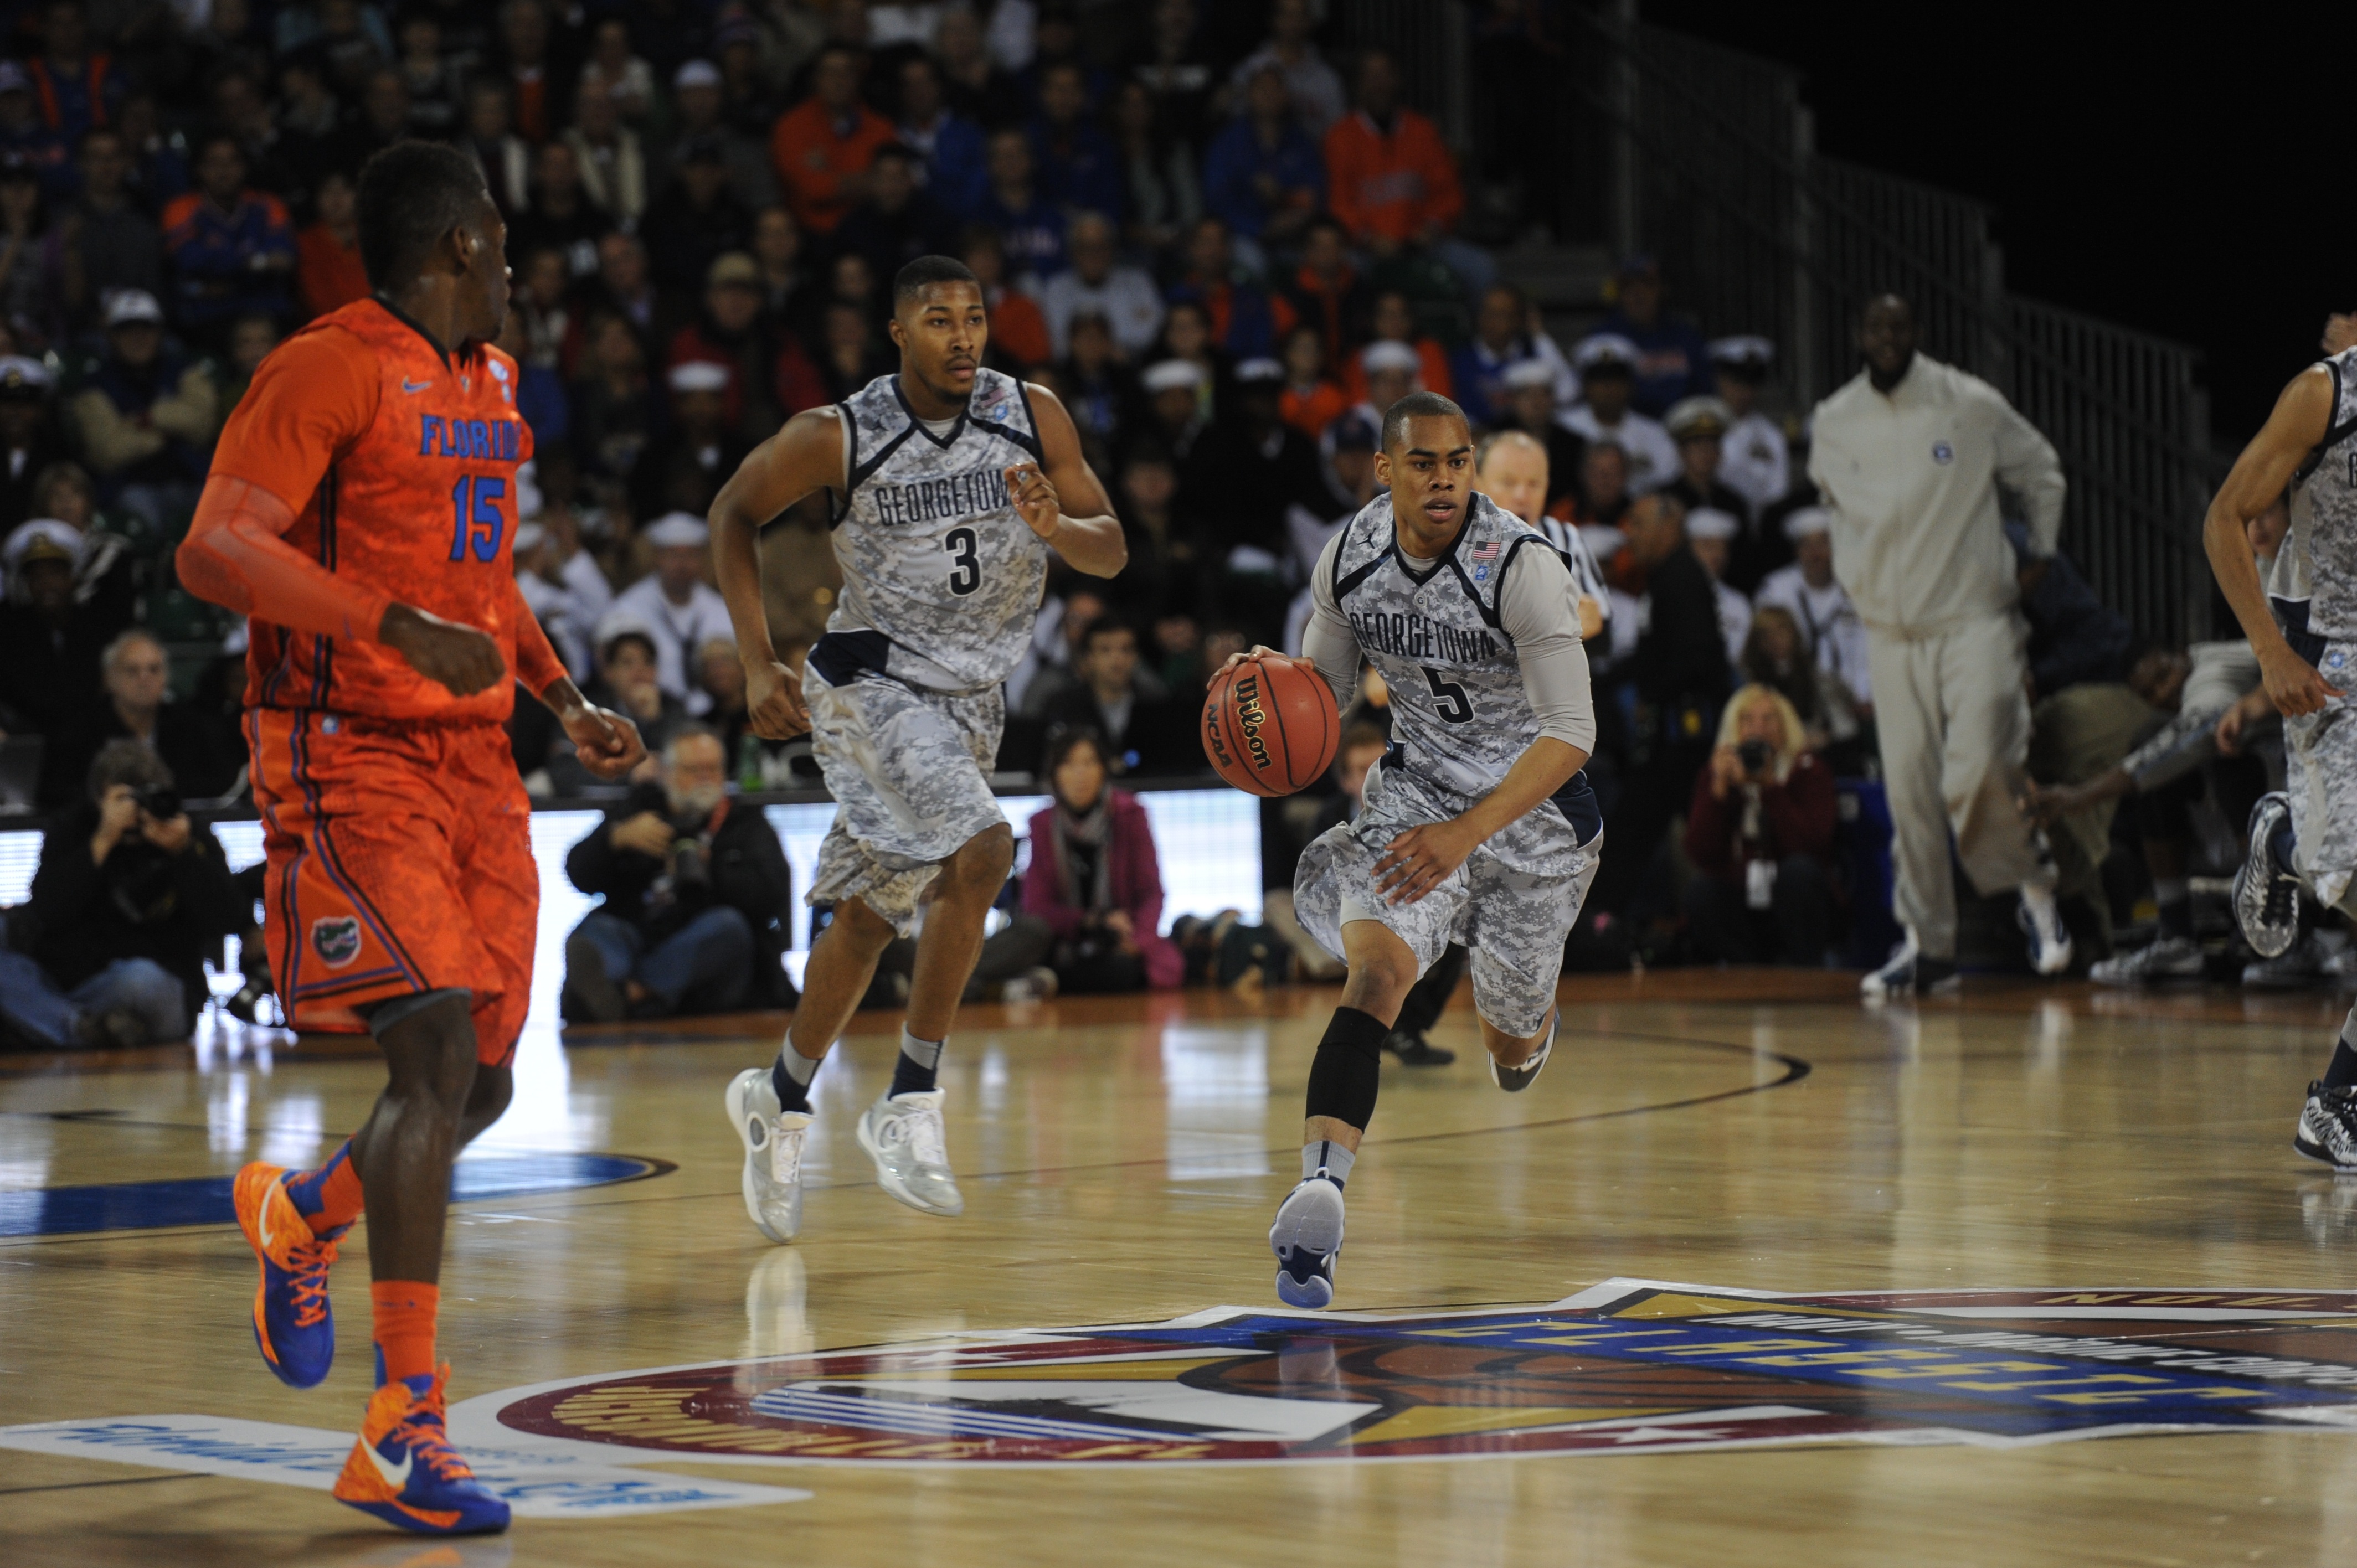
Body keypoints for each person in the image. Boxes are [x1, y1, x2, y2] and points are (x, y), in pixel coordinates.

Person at [174, 141, 646, 1535]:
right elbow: (214, 546)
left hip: (480, 756)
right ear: (459, 244)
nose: (516, 270)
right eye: (502, 245)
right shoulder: (329, 367)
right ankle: (402, 1426)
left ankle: (301, 1214)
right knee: (432, 1049)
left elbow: (481, 580)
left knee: (483, 1086)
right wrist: (386, 626)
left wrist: (561, 694)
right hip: (343, 747)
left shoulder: (493, 385)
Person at [707, 254, 1125, 1245]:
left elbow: (1111, 546)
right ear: (897, 332)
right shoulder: (839, 434)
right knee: (984, 851)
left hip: (973, 703)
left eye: (974, 317)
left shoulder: (1032, 412)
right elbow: (731, 510)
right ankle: (910, 1098)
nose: (962, 335)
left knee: (864, 923)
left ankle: (779, 1098)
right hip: (867, 685)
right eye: (938, 319)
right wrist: (759, 660)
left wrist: (1056, 526)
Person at [1242, 390, 1599, 1308]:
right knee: (1375, 978)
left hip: (1536, 814)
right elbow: (1318, 700)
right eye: (1424, 463)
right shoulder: (1351, 557)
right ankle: (1320, 1192)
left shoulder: (1520, 564)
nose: (1444, 480)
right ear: (1386, 470)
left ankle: (1526, 1026)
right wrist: (1261, 695)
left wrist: (1466, 836)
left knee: (1509, 1045)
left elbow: (1571, 733)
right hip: (1415, 795)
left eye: (1458, 462)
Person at [1809, 293, 2072, 995]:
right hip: (1888, 634)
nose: (1886, 336)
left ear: (1916, 332)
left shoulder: (1968, 402)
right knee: (1908, 795)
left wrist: (2039, 549)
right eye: (1874, 325)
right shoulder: (1833, 421)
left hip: (1972, 617)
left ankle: (2035, 894)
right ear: (1857, 333)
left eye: (1898, 324)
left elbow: (2042, 470)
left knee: (1978, 767)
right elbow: (1836, 509)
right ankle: (1927, 946)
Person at [2202, 327, 2357, 1165]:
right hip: (2330, 657)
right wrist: (2269, 651)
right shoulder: (2325, 394)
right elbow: (2227, 517)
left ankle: (2336, 1103)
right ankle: (2286, 838)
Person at [0, 739, 239, 1051]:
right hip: (79, 986)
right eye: (125, 798)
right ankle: (81, 1026)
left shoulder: (185, 832)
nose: (137, 810)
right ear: (100, 797)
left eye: (147, 795)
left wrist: (184, 856)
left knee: (142, 980)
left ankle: (57, 1025)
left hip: (157, 985)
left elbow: (228, 920)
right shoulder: (74, 828)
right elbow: (46, 912)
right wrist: (102, 841)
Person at [562, 723, 795, 1022]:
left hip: (705, 946)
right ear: (667, 773)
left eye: (713, 769)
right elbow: (577, 875)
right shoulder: (639, 809)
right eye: (693, 770)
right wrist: (614, 839)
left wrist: (712, 868)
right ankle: (622, 990)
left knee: (728, 928)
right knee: (599, 930)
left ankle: (625, 994)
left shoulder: (745, 821)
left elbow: (772, 894)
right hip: (638, 930)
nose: (705, 779)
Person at [1682, 683, 1838, 966]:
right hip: (1742, 899)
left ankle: (1805, 971)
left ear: (1786, 726)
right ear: (1734, 728)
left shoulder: (1808, 769)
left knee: (1799, 873)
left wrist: (1770, 789)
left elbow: (1814, 845)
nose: (1758, 729)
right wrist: (1719, 792)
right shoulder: (1717, 773)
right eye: (1748, 720)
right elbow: (1699, 853)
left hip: (1793, 900)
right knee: (1701, 890)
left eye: (1769, 719)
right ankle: (1747, 972)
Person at [1019, 726, 1182, 992]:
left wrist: (1135, 941)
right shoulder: (1041, 824)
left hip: (1120, 941)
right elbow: (1036, 906)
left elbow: (1152, 893)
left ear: (1103, 770)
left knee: (1121, 970)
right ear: (1055, 774)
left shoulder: (1131, 814)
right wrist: (1093, 921)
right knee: (1032, 943)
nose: (1080, 774)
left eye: (1089, 762)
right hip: (1065, 940)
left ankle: (1052, 981)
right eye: (1069, 764)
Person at [41, 628, 235, 809]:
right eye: (132, 670)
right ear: (110, 678)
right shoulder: (77, 732)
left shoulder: (194, 728)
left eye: (154, 670)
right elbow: (56, 798)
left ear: (166, 677)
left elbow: (219, 791)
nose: (145, 679)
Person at [1752, 507, 1873, 716]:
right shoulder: (1775, 590)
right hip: (1795, 702)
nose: (1815, 553)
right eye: (1806, 545)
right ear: (1796, 550)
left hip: (1855, 703)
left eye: (1823, 543)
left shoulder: (1859, 589)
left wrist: (1864, 698)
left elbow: (1867, 652)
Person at [611, 513, 735, 712]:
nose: (682, 564)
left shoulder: (722, 611)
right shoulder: (627, 610)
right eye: (674, 555)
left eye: (691, 555)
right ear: (657, 558)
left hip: (716, 714)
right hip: (650, 714)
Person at [770, 44, 894, 237]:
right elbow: (811, 189)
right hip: (812, 236)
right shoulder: (791, 126)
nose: (838, 81)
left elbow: (891, 186)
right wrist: (866, 180)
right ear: (816, 79)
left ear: (858, 79)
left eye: (846, 73)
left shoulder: (881, 128)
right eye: (830, 73)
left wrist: (828, 176)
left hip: (872, 233)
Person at [1037, 615, 1179, 773]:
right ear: (1088, 658)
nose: (1117, 659)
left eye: (1126, 649)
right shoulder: (1064, 706)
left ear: (1136, 656)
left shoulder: (1157, 704)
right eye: (1106, 650)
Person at [1597, 255, 1713, 417]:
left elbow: (1705, 390)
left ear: (1661, 289)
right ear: (1618, 294)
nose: (1638, 293)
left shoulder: (1686, 336)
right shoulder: (1603, 338)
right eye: (1628, 286)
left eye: (1647, 284)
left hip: (1683, 428)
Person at [1037, 210, 1162, 361]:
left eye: (1101, 246)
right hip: (1075, 371)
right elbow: (1058, 344)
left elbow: (1153, 334)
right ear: (1072, 252)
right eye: (1085, 248)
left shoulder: (1138, 282)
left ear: (1112, 249)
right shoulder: (1057, 288)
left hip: (1131, 366)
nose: (1094, 255)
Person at [1561, 334, 1676, 493]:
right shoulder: (1564, 428)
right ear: (1585, 386)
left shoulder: (1655, 434)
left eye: (1616, 379)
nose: (1608, 388)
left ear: (1631, 385)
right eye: (1599, 380)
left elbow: (1666, 486)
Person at [1710, 336, 1790, 518]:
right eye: (1736, 382)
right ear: (1719, 379)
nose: (1744, 392)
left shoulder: (1771, 436)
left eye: (1751, 383)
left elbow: (1777, 496)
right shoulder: (1700, 427)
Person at [1686, 508, 1751, 672]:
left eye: (1721, 548)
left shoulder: (1738, 602)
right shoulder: (1668, 596)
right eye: (1707, 546)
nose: (1716, 555)